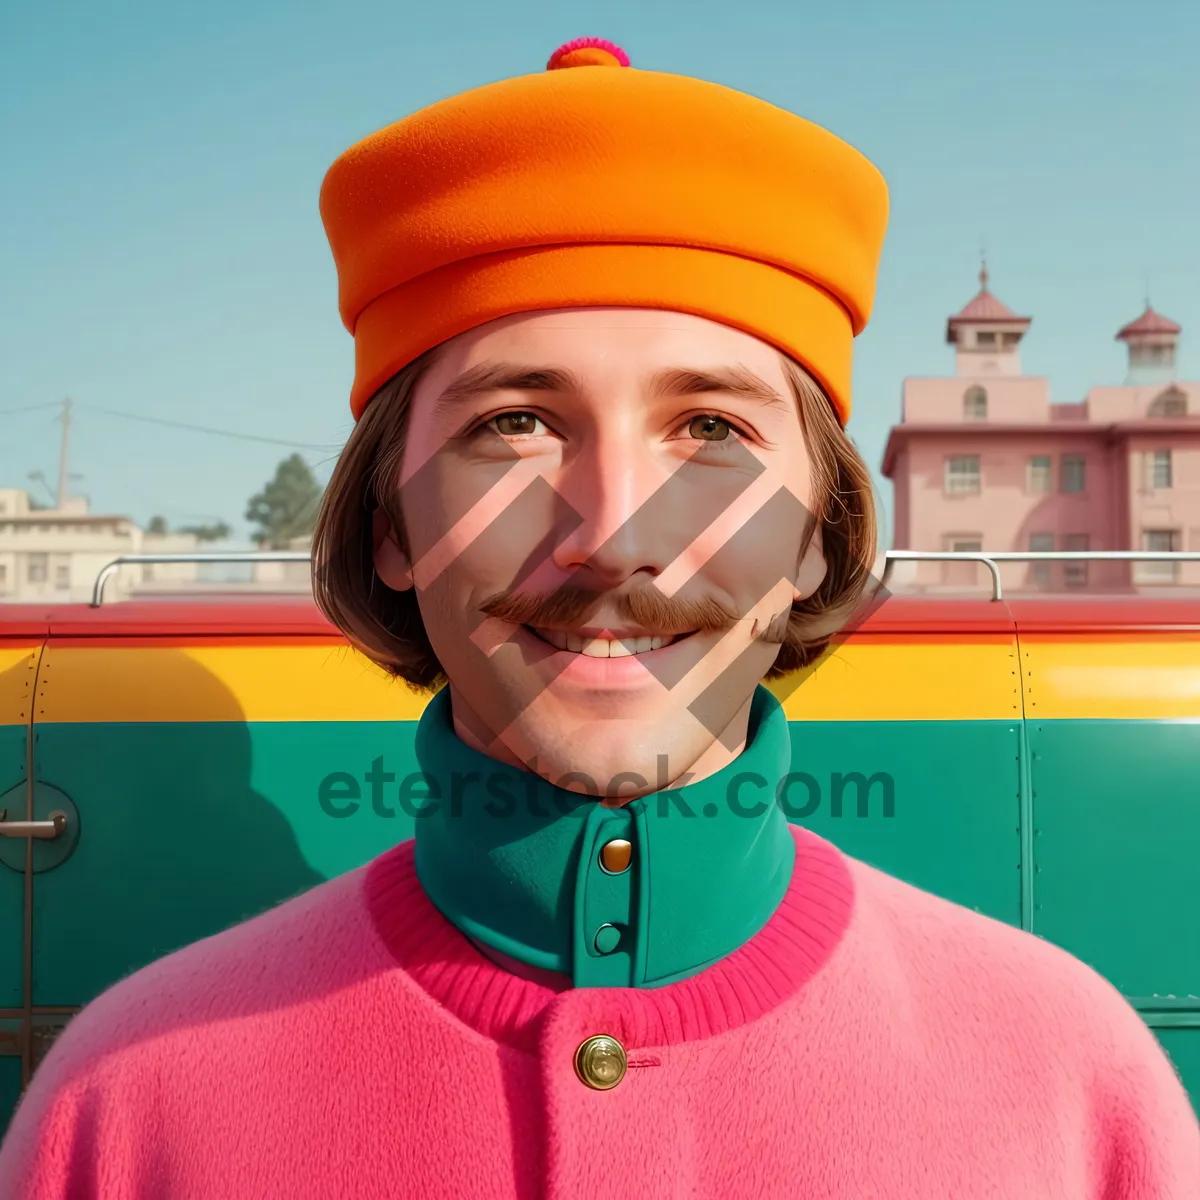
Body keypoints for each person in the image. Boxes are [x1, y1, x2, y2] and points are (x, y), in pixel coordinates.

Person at [2, 36, 1197, 1200]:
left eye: (713, 430)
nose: (615, 531)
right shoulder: (125, 1107)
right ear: (390, 528)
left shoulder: (1077, 1089)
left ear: (820, 532)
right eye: (514, 422)